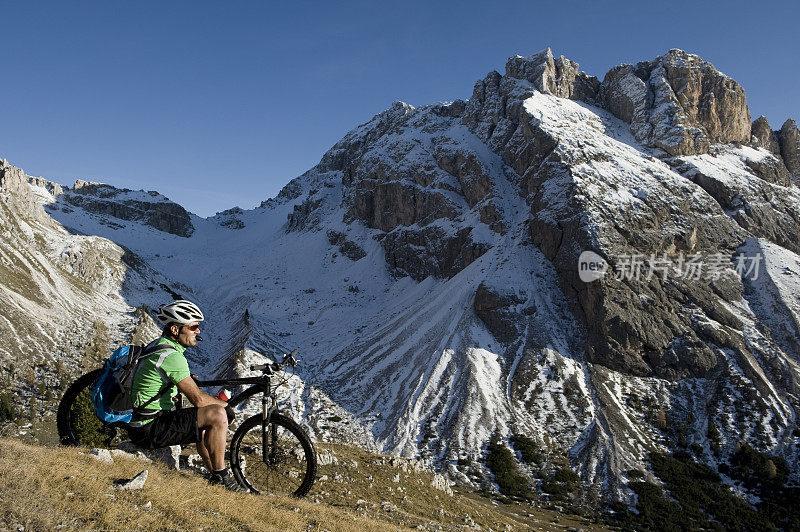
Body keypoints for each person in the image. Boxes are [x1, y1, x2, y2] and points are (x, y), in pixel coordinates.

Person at [127, 299, 244, 492]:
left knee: (205, 422)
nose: (198, 331)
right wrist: (226, 408)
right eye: (193, 327)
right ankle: (222, 476)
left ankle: (215, 476)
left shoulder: (160, 346)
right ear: (175, 330)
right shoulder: (172, 357)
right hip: (149, 428)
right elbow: (198, 400)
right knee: (216, 415)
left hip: (144, 423)